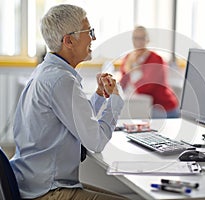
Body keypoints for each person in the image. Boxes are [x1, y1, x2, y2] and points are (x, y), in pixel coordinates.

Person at [9, 4, 126, 200]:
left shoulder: (47, 72)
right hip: (48, 190)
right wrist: (115, 100)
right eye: (89, 32)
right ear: (69, 41)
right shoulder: (62, 80)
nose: (94, 38)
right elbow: (95, 141)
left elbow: (76, 118)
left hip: (32, 182)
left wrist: (99, 94)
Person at [120, 26, 179, 118]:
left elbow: (145, 87)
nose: (138, 41)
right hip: (143, 104)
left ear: (147, 40)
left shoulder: (156, 59)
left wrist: (133, 72)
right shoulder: (128, 58)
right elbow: (123, 83)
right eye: (135, 38)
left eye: (142, 38)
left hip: (162, 107)